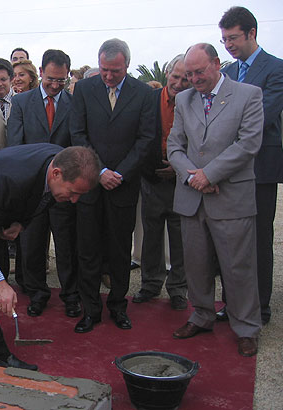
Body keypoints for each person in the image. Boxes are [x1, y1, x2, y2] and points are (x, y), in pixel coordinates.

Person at [0, 144, 100, 370]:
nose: (74, 201)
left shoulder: (62, 161)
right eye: (73, 193)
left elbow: (42, 197)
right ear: (56, 173)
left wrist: (21, 223)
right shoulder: (12, 179)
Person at [167, 43, 263, 357]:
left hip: (231, 198)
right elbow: (174, 147)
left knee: (238, 267)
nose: (193, 79)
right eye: (188, 73)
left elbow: (248, 144)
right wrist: (193, 177)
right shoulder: (183, 99)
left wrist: (209, 174)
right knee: (196, 265)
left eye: (199, 72)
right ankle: (202, 315)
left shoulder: (248, 95)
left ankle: (246, 327)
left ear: (216, 64)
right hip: (192, 198)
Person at [70, 38, 154, 333]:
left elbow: (146, 140)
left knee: (120, 251)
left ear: (127, 66)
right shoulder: (83, 89)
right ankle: (90, 309)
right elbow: (77, 133)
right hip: (91, 184)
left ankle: (118, 306)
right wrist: (100, 170)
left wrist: (119, 173)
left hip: (124, 186)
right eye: (104, 69)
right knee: (88, 249)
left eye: (115, 71)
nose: (108, 76)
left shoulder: (144, 94)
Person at [218, 6, 283, 326]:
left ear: (252, 33)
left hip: (260, 169)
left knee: (258, 240)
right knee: (231, 240)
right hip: (230, 169)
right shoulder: (227, 72)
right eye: (224, 39)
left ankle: (260, 307)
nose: (228, 45)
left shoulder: (276, 69)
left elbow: (262, 117)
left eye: (233, 38)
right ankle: (231, 304)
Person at [7, 49, 80, 319]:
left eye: (61, 81)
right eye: (51, 78)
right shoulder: (22, 103)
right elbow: (15, 147)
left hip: (64, 191)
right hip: (33, 190)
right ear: (40, 72)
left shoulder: (75, 104)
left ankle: (71, 296)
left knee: (66, 246)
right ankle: (37, 294)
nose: (54, 85)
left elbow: (78, 147)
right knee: (32, 246)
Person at [133, 54, 190, 311]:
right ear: (167, 74)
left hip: (183, 181)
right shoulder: (149, 100)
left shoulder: (197, 103)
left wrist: (179, 169)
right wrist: (153, 168)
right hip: (152, 178)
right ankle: (150, 284)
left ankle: (178, 289)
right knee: (151, 236)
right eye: (175, 76)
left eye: (185, 78)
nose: (179, 82)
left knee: (180, 238)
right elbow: (138, 137)